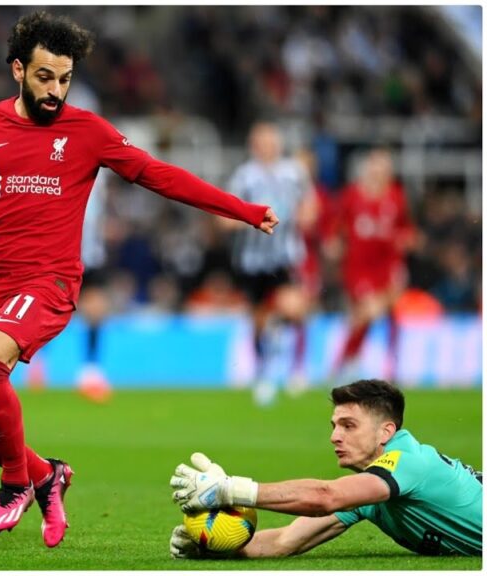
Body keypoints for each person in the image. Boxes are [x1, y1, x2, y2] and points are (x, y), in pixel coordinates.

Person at [0, 11, 278, 547]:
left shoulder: (88, 131)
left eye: (64, 79)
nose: (55, 91)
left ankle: (15, 484)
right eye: (44, 77)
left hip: (48, 281)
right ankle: (48, 474)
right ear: (18, 69)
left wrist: (241, 209)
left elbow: (161, 175)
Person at [169, 379, 482, 558]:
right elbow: (284, 542)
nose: (335, 436)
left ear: (386, 432)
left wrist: (229, 490)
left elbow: (325, 496)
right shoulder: (370, 492)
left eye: (348, 426)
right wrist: (212, 550)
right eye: (334, 425)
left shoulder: (409, 461)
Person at [222, 122, 318, 404]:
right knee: (260, 320)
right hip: (252, 261)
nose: (267, 146)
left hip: (285, 256)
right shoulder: (244, 177)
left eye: (270, 141)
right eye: (261, 142)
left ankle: (297, 369)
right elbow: (223, 217)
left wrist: (305, 216)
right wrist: (247, 220)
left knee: (295, 308)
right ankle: (263, 373)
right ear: (254, 145)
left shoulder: (294, 172)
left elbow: (311, 205)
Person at [326, 149, 414, 382]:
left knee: (390, 314)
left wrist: (406, 240)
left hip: (388, 266)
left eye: (384, 168)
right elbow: (336, 224)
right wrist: (333, 242)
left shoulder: (396, 197)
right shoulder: (352, 195)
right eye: (375, 166)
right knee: (367, 312)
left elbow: (406, 228)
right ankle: (343, 363)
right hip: (358, 267)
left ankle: (389, 366)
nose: (379, 172)